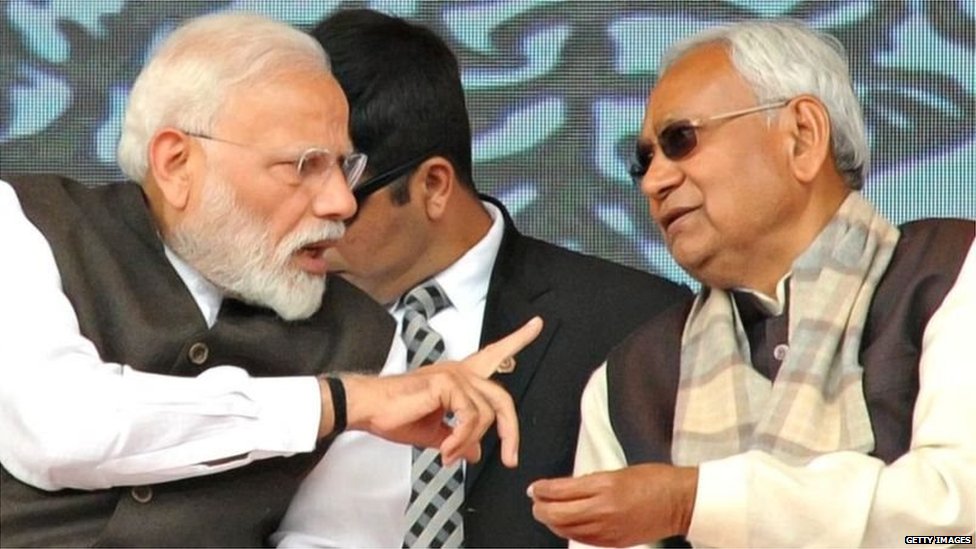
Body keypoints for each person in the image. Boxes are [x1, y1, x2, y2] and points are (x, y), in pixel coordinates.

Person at [0, 11, 543, 548]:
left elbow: (333, 542)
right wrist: (336, 403)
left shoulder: (365, 339)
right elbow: (58, 428)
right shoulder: (25, 225)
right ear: (176, 163)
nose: (341, 202)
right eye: (304, 165)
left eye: (345, 168)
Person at [527, 18, 976, 548]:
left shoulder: (950, 272)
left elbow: (956, 512)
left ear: (802, 136)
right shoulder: (633, 378)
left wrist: (692, 502)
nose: (654, 181)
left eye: (680, 140)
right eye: (643, 161)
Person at [270, 9, 691, 549]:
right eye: (293, 191)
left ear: (434, 186)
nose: (311, 224)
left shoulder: (631, 320)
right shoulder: (260, 322)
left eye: (340, 202)